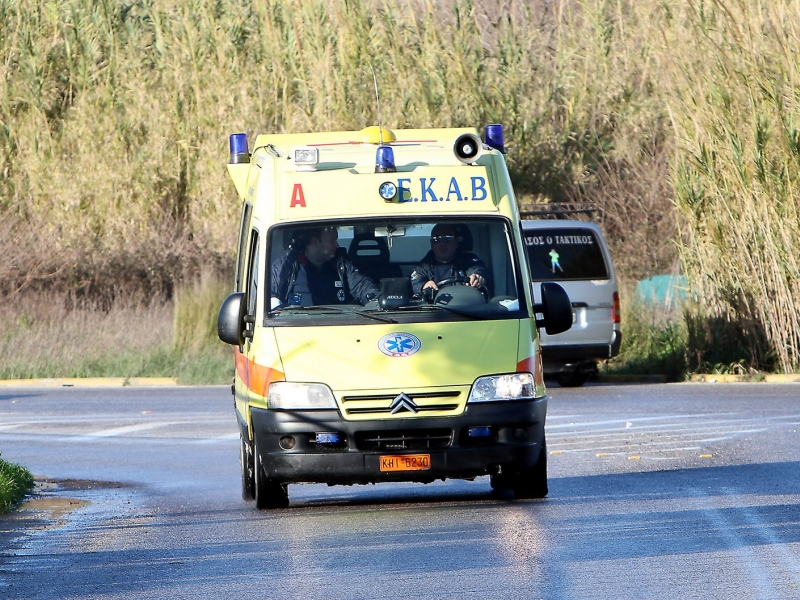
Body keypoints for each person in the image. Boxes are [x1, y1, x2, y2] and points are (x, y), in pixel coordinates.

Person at [271, 227, 379, 307]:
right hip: (297, 327)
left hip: (340, 324)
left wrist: (376, 299)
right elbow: (269, 298)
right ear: (314, 242)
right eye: (332, 241)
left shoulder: (342, 265)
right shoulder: (285, 266)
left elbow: (362, 287)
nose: (337, 245)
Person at [410, 224, 489, 297]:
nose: (442, 243)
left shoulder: (469, 260)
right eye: (436, 239)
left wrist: (478, 276)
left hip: (465, 305)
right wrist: (423, 286)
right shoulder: (423, 266)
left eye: (448, 238)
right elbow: (416, 282)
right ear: (431, 243)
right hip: (435, 307)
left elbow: (478, 269)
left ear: (456, 242)